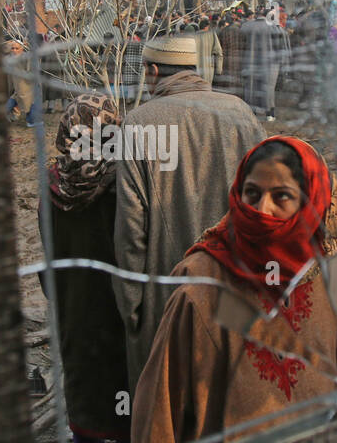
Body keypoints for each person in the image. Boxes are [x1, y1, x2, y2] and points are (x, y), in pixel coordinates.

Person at [131, 137, 337, 443]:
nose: (261, 210)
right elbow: (160, 420)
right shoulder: (201, 287)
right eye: (252, 193)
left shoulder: (329, 270)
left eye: (281, 197)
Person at [112, 35, 264, 398]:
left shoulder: (138, 124)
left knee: (170, 414)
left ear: (151, 71)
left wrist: (133, 308)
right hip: (235, 292)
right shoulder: (240, 113)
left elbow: (131, 233)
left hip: (168, 303)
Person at [39, 95, 132, 443]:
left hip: (74, 301)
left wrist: (57, 292)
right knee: (125, 381)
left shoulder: (52, 184)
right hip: (121, 305)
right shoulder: (126, 182)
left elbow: (47, 251)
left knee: (82, 380)